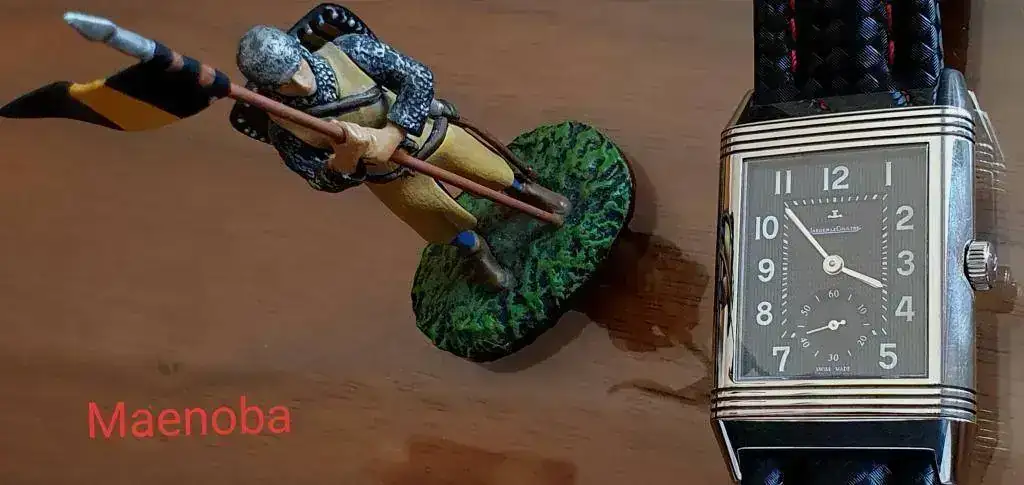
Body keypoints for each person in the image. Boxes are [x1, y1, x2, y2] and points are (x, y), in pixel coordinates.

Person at [235, 25, 570, 291]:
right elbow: (319, 179)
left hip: (428, 135)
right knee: (435, 221)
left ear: (300, 50)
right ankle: (474, 249)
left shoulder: (351, 50)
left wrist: (392, 134)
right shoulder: (284, 127)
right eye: (285, 84)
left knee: (489, 169)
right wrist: (344, 160)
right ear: (268, 89)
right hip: (390, 177)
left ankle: (522, 189)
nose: (299, 82)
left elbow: (417, 76)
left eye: (297, 68)